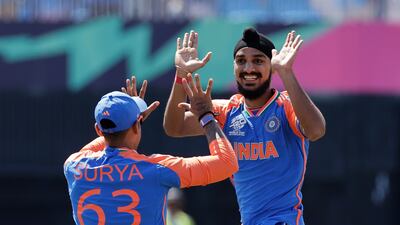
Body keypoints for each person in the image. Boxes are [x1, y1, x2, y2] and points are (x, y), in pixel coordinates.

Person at [163, 28, 326, 225]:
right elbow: (175, 127)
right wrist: (181, 75)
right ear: (234, 67)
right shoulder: (227, 111)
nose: (248, 68)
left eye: (258, 61)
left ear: (272, 68)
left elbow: (316, 131)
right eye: (241, 61)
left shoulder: (286, 106)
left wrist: (286, 72)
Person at [64, 76, 238, 225]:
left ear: (98, 130)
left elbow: (105, 140)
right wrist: (207, 117)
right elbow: (227, 163)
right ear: (136, 125)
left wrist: (133, 122)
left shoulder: (74, 166)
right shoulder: (157, 169)